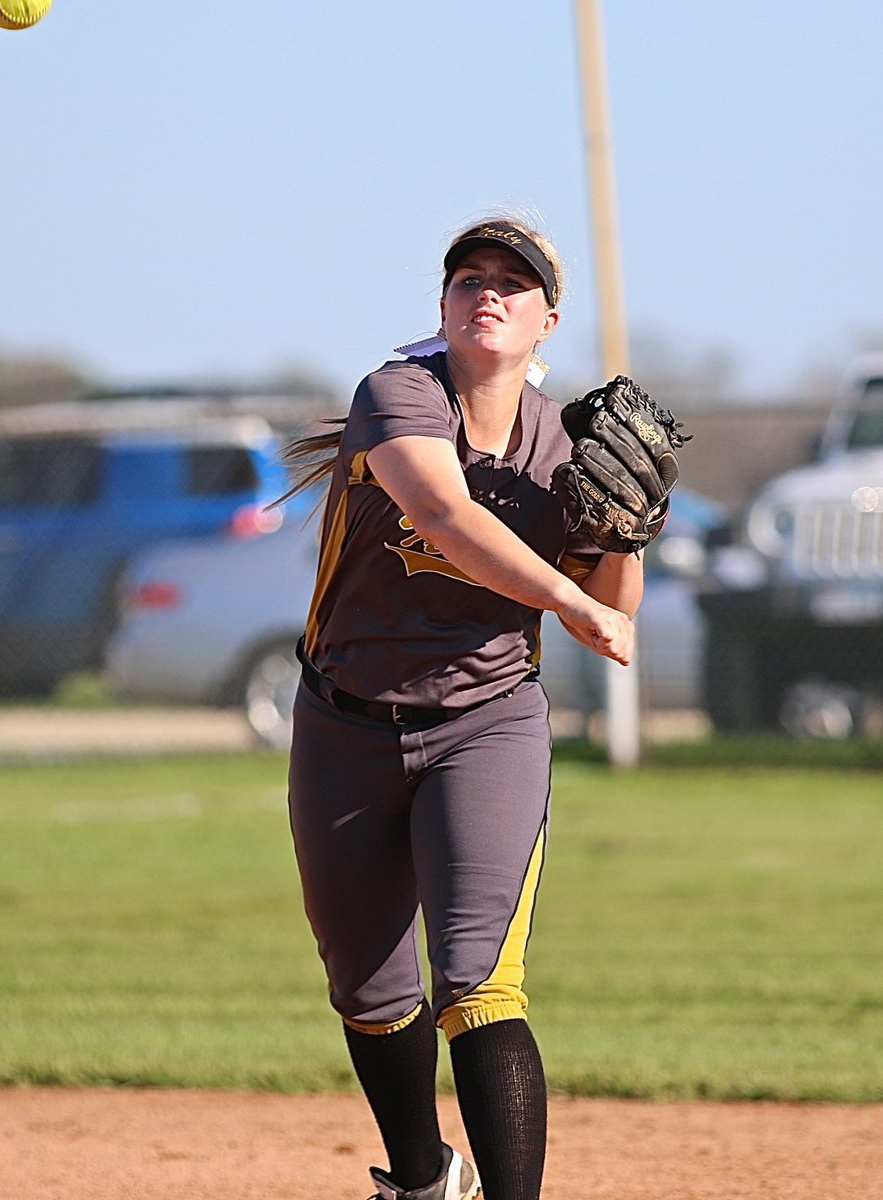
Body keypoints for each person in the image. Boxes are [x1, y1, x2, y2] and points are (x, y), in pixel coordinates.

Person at [284, 215, 642, 1200]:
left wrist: (626, 538)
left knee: (480, 985)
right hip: (343, 722)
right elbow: (443, 511)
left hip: (486, 723)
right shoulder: (397, 394)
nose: (488, 290)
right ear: (441, 308)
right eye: (468, 277)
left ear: (546, 323)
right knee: (367, 989)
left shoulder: (568, 448)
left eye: (512, 283)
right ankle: (420, 1175)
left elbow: (610, 619)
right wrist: (566, 594)